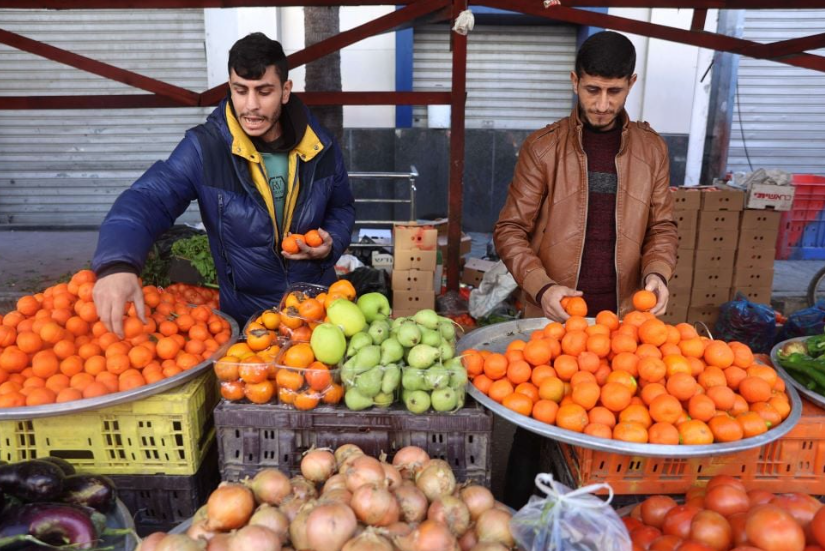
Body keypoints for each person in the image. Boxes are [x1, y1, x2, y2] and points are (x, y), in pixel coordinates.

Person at [493, 31, 678, 507]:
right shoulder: (543, 148)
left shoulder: (652, 151)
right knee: (537, 425)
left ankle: (595, 522)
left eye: (613, 91)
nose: (601, 103)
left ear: (631, 84)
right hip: (554, 316)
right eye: (592, 89)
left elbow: (663, 226)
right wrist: (543, 285)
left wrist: (658, 272)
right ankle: (516, 515)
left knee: (611, 426)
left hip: (621, 318)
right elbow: (510, 229)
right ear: (574, 82)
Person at [92, 33, 355, 336]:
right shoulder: (206, 148)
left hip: (319, 313)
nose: (251, 106)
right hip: (250, 323)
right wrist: (118, 263)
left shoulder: (320, 145)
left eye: (264, 91)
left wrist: (331, 241)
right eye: (240, 91)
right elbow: (149, 198)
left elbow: (342, 206)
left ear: (285, 91)